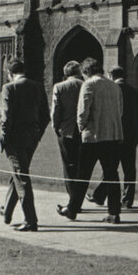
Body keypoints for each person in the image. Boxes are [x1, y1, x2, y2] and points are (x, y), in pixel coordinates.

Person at [58, 56, 123, 223]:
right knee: (112, 176)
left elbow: (82, 112)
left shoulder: (89, 84)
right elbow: (120, 111)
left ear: (86, 72)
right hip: (113, 136)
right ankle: (114, 213)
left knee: (82, 175)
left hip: (93, 137)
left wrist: (82, 129)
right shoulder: (114, 86)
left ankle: (72, 209)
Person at [0, 58, 50, 232]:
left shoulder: (9, 88)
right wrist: (37, 134)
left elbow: (6, 117)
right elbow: (45, 116)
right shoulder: (37, 86)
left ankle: (30, 220)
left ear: (9, 74)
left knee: (21, 177)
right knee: (18, 174)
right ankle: (7, 211)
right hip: (31, 137)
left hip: (15, 138)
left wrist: (3, 137)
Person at [90, 66, 138, 209]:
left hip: (115, 134)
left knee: (110, 167)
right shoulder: (134, 91)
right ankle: (127, 199)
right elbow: (137, 116)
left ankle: (100, 196)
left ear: (111, 75)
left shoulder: (112, 90)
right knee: (129, 169)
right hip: (131, 136)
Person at [51, 60, 84, 197]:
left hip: (66, 130)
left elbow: (55, 111)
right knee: (82, 166)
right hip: (85, 130)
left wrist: (56, 127)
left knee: (69, 166)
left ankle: (73, 198)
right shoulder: (86, 85)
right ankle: (78, 198)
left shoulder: (60, 87)